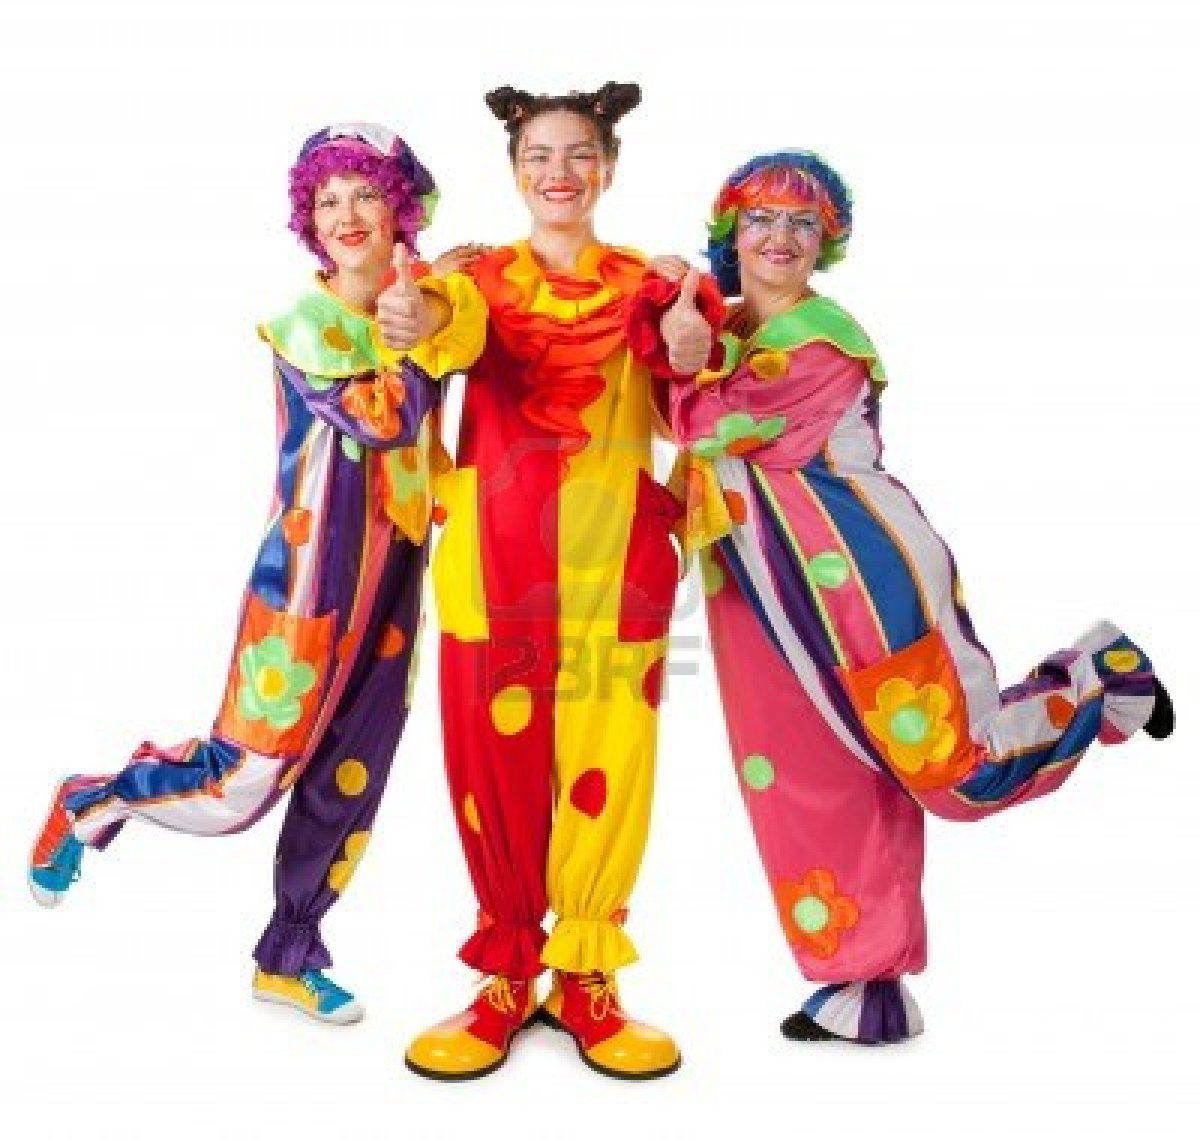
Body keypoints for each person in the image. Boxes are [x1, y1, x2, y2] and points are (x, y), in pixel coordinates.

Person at [639, 150, 1173, 1044]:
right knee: (806, 780)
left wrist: (671, 319)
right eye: (761, 219)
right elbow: (664, 399)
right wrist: (680, 318)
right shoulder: (721, 327)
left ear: (826, 243)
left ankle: (1104, 677)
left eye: (803, 224)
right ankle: (862, 981)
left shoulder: (823, 340)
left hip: (863, 580)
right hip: (757, 594)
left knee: (955, 772)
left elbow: (704, 419)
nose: (780, 238)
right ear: (731, 233)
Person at [27, 122, 486, 1025]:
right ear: (309, 222)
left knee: (349, 778)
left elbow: (472, 327)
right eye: (328, 200)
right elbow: (388, 417)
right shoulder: (305, 327)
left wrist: (439, 303)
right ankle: (92, 799)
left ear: (401, 210)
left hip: (396, 583)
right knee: (243, 781)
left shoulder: (425, 305)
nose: (346, 215)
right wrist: (430, 317)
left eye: (366, 194)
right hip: (307, 590)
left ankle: (290, 953)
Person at [387, 83, 720, 1080]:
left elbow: (683, 395)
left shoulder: (651, 284)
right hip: (495, 566)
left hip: (617, 566)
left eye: (578, 154)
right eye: (539, 155)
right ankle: (506, 975)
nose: (558, 172)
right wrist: (408, 308)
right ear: (515, 171)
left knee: (609, 763)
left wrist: (694, 343)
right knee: (492, 767)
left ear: (607, 168)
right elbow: (439, 326)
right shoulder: (476, 280)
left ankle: (585, 976)